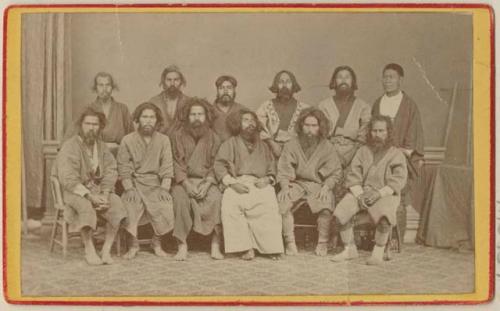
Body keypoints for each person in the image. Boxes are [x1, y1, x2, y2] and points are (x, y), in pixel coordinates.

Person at [53, 108, 127, 265]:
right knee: (86, 207)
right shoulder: (69, 146)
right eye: (88, 124)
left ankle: (106, 250)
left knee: (117, 204)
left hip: (98, 190)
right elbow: (68, 178)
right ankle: (89, 249)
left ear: (100, 126)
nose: (92, 128)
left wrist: (106, 193)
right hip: (74, 191)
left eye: (95, 124)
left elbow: (111, 170)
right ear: (81, 125)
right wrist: (90, 196)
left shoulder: (101, 147)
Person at [331, 115, 407, 265]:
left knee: (384, 216)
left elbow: (398, 180)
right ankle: (349, 249)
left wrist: (378, 194)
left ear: (388, 132)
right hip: (361, 192)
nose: (377, 134)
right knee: (340, 212)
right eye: (374, 131)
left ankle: (378, 252)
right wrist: (360, 195)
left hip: (386, 193)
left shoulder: (396, 154)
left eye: (381, 131)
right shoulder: (362, 151)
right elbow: (353, 176)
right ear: (369, 132)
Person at [214, 109, 284, 260]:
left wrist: (268, 179)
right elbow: (219, 166)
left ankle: (269, 248)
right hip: (237, 182)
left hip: (260, 182)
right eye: (246, 120)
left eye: (253, 121)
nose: (250, 124)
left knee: (269, 202)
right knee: (230, 202)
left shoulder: (264, 145)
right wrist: (232, 184)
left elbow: (273, 165)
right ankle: (244, 248)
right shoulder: (230, 143)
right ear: (238, 124)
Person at [277, 108, 342, 256]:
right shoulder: (292, 144)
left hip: (318, 185)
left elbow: (335, 172)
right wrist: (284, 187)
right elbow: (284, 168)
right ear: (301, 125)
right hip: (297, 184)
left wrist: (327, 187)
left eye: (314, 126)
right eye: (307, 125)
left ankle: (322, 242)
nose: (310, 130)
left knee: (326, 205)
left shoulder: (327, 146)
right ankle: (290, 242)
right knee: (283, 202)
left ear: (320, 127)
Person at [371, 63, 425, 240]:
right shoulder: (378, 103)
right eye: (385, 77)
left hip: (401, 156)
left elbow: (413, 135)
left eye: (391, 77)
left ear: (400, 80)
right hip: (379, 156)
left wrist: (397, 153)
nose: (388, 81)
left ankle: (395, 238)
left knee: (397, 195)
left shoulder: (409, 105)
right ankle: (378, 235)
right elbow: (373, 132)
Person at [117, 102, 174, 259]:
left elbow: (167, 167)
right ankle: (133, 245)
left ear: (157, 120)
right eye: (144, 117)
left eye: (152, 117)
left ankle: (156, 243)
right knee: (130, 204)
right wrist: (129, 188)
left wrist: (164, 188)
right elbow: (123, 168)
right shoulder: (127, 140)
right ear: (138, 119)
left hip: (156, 184)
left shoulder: (164, 140)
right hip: (135, 184)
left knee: (165, 204)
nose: (148, 121)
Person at [171, 98, 224, 261]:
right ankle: (182, 244)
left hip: (207, 180)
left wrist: (208, 183)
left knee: (217, 198)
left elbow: (218, 163)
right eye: (193, 114)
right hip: (183, 181)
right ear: (187, 117)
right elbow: (175, 162)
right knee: (180, 199)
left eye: (200, 114)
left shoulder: (214, 138)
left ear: (206, 116)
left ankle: (215, 244)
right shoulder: (177, 136)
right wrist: (186, 184)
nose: (196, 118)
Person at [64, 72, 134, 155]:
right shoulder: (88, 108)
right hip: (94, 155)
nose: (104, 89)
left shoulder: (122, 109)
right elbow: (71, 132)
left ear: (112, 87)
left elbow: (131, 136)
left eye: (108, 85)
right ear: (95, 88)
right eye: (101, 85)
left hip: (118, 155)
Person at [318, 66, 371, 167]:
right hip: (328, 151)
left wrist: (349, 157)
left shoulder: (363, 106)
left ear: (353, 81)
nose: (343, 80)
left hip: (355, 153)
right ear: (334, 81)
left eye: (347, 77)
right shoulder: (323, 105)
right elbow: (321, 135)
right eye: (339, 77)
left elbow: (363, 136)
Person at [256, 70, 310, 157]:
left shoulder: (304, 108)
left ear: (293, 85)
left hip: (297, 151)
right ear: (276, 85)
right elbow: (258, 126)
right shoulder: (266, 106)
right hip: (270, 149)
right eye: (281, 82)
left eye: (288, 82)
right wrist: (272, 143)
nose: (284, 85)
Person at [148, 65, 191, 136]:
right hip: (160, 143)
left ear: (181, 81)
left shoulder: (188, 102)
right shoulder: (154, 102)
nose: (172, 84)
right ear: (163, 81)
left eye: (176, 80)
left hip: (181, 144)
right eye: (169, 80)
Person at [211, 75, 246, 141]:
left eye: (229, 88)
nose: (225, 91)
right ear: (217, 91)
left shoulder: (242, 110)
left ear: (234, 90)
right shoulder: (208, 111)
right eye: (221, 88)